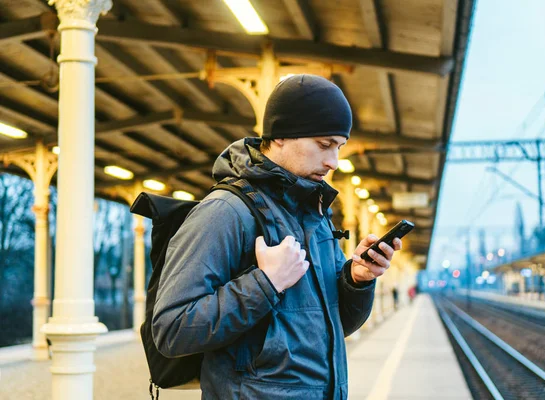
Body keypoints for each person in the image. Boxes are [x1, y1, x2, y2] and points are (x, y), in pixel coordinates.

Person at [151, 74, 402, 399]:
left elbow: (336, 329)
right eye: (324, 145)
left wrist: (357, 280)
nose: (333, 162)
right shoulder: (225, 211)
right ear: (281, 135)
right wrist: (265, 283)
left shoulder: (317, 216)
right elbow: (171, 329)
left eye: (339, 147)